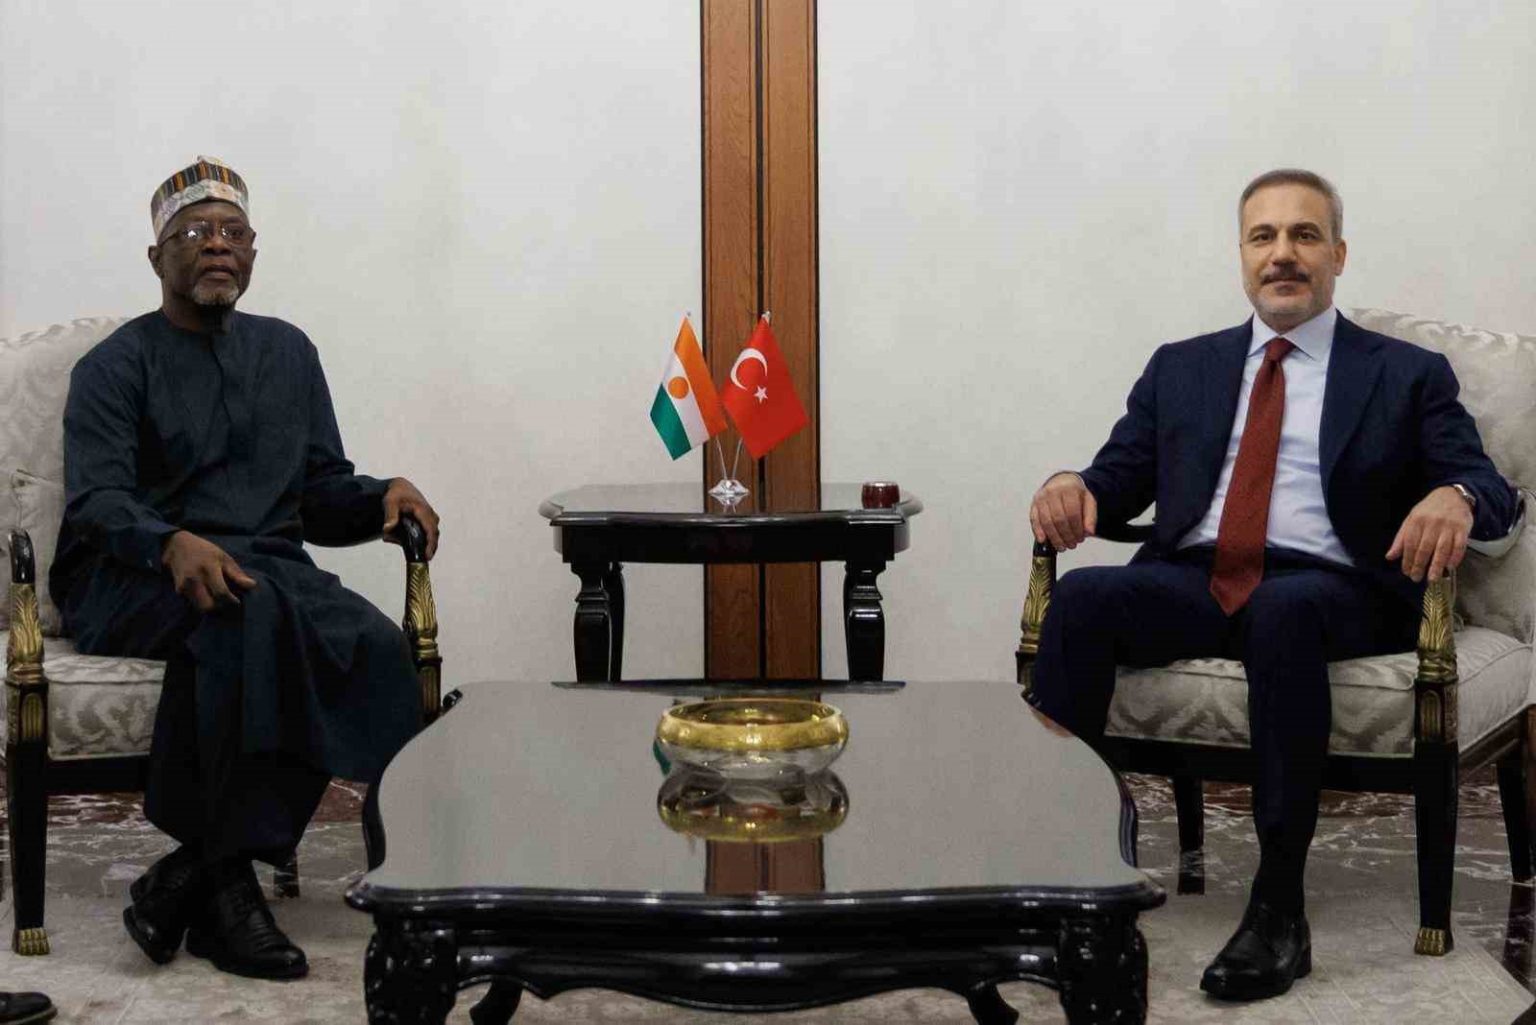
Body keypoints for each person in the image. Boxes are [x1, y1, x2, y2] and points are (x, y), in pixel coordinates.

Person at [1026, 168, 1518, 1001]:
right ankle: (1068, 879)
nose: (1282, 253)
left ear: (1338, 254)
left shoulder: (1405, 373)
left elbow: (1491, 489)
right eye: (1264, 236)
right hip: (1201, 580)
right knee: (1081, 598)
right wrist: (1072, 485)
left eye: (1304, 235)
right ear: (1242, 255)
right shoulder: (1181, 367)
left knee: (1283, 609)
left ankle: (1279, 908)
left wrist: (1456, 494)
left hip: (1337, 588)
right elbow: (1116, 478)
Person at [52, 157, 441, 981]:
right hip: (127, 573)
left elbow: (320, 491)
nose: (216, 245)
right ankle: (229, 897)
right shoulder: (114, 366)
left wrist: (380, 496)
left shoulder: (289, 353)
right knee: (244, 616)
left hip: (260, 568)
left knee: (372, 644)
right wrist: (170, 541)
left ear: (254, 251)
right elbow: (96, 501)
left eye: (233, 232)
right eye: (193, 232)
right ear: (157, 257)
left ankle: (194, 874)